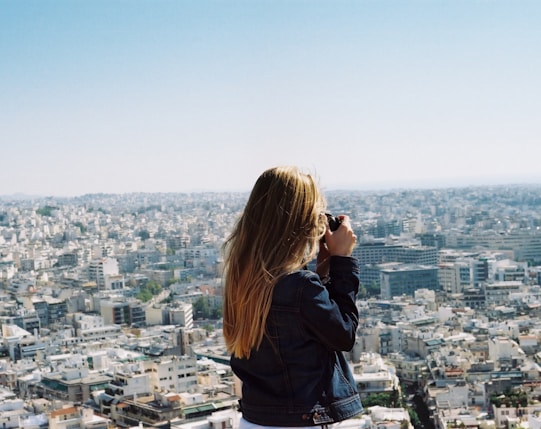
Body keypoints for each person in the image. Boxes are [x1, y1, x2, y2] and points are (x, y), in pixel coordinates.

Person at [223, 166, 362, 427]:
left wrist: (322, 273)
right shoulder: (300, 286)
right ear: (303, 222)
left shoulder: (243, 280)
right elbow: (343, 335)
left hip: (254, 420)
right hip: (298, 421)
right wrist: (342, 261)